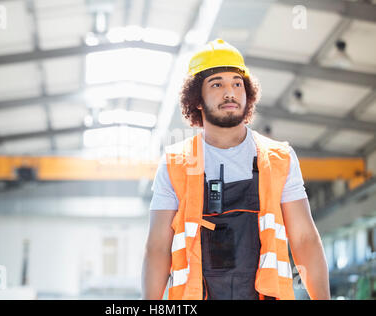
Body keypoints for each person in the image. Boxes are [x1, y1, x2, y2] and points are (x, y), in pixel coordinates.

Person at [141, 39, 330, 300]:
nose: (229, 92)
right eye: (217, 84)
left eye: (237, 83)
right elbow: (157, 248)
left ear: (247, 93)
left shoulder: (280, 158)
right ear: (196, 98)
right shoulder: (176, 163)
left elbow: (304, 239)